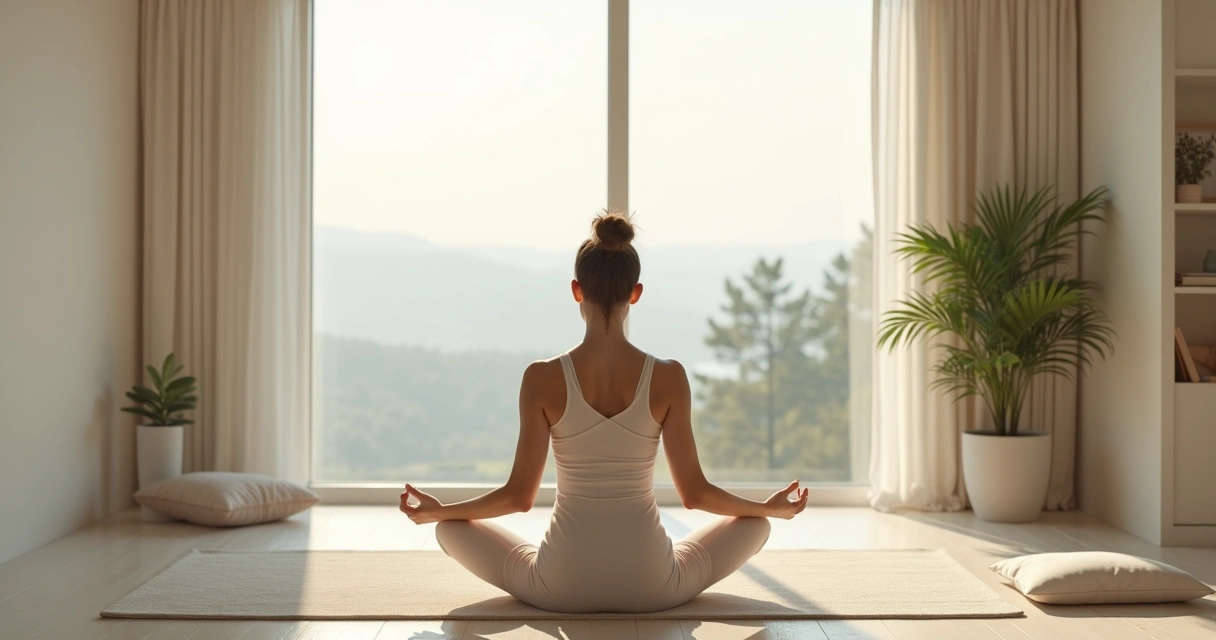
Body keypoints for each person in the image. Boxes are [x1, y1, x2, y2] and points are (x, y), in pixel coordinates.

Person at [399, 211, 808, 613]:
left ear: (577, 290)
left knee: (449, 530)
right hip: (654, 586)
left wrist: (442, 511)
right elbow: (695, 495)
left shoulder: (541, 378)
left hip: (559, 586)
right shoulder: (668, 377)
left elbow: (519, 498)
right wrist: (766, 507)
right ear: (636, 292)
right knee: (758, 525)